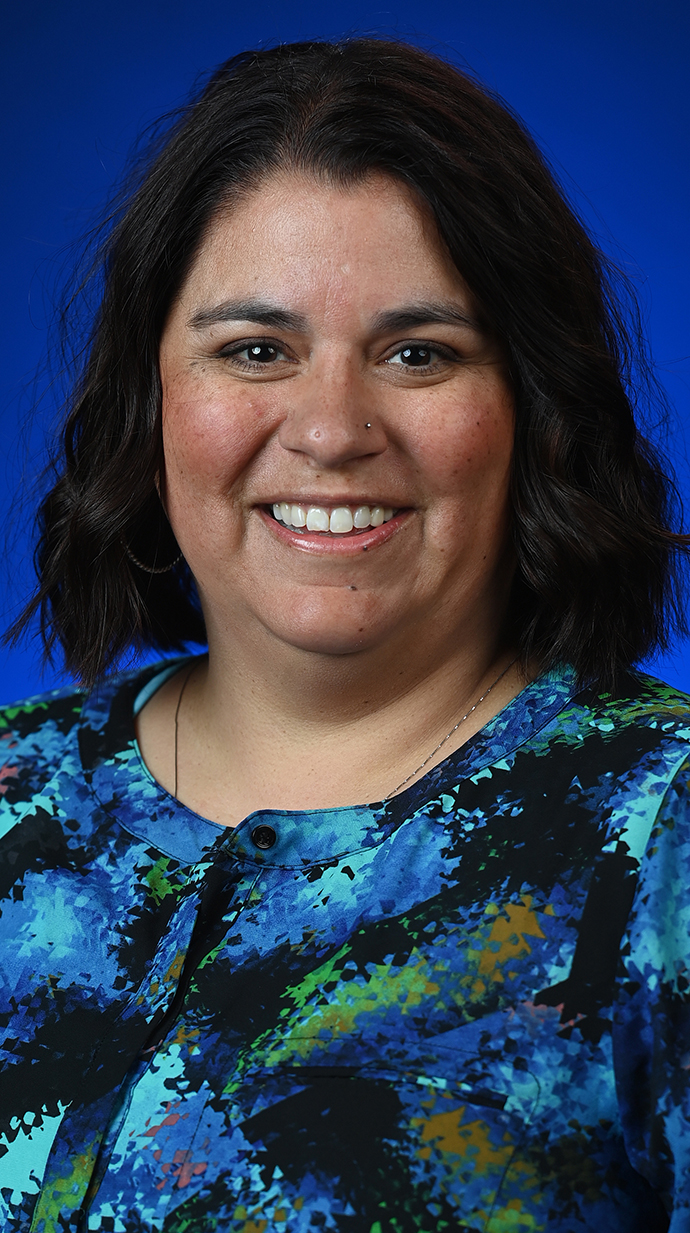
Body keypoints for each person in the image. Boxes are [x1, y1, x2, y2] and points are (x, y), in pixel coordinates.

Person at [1, 37, 688, 1233]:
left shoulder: (658, 840)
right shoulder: (14, 796)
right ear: (148, 396)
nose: (330, 429)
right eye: (255, 351)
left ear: (532, 407)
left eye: (417, 353)